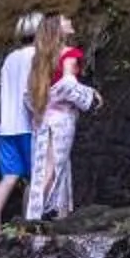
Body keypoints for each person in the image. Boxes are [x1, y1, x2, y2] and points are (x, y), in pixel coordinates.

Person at [24, 12, 103, 221]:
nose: (70, 22)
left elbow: (30, 94)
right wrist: (89, 95)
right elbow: (68, 85)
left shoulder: (40, 57)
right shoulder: (70, 54)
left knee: (49, 164)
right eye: (65, 20)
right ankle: (34, 218)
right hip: (61, 119)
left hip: (42, 118)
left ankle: (60, 214)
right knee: (52, 166)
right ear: (57, 29)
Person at [0, 9, 44, 235]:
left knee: (9, 177)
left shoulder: (10, 58)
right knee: (35, 179)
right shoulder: (37, 57)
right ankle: (28, 225)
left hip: (6, 128)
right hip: (29, 127)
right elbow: (33, 91)